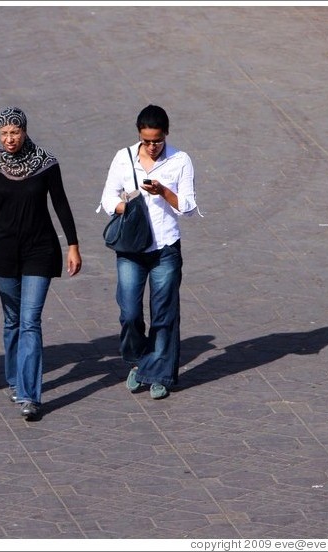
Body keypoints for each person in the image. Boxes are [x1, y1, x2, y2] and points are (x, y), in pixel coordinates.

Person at [0, 107, 82, 420]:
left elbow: (60, 202)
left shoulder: (46, 162)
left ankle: (29, 395)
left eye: (15, 132)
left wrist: (73, 246)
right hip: (6, 252)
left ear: (25, 131)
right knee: (12, 320)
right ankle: (14, 379)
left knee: (30, 321)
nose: (10, 139)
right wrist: (8, 199)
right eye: (5, 133)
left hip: (40, 250)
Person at [98, 104, 199, 400]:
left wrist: (163, 192)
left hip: (165, 249)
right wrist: (126, 206)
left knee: (164, 315)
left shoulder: (180, 160)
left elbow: (189, 208)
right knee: (129, 312)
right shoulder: (124, 157)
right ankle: (140, 360)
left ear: (166, 134)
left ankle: (159, 374)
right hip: (131, 249)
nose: (152, 147)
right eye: (146, 141)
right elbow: (106, 197)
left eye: (157, 140)